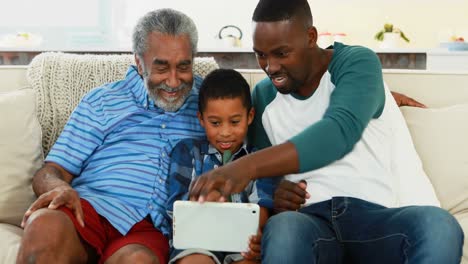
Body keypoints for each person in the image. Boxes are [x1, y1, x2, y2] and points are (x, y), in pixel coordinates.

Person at [188, 0, 464, 263]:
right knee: (283, 229)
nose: (270, 67)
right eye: (261, 55)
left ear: (310, 37)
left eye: (281, 53)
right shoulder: (263, 96)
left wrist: (245, 168)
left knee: (439, 226)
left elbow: (337, 132)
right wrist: (278, 199)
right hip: (310, 223)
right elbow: (268, 181)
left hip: (377, 221)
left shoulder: (356, 62)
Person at [16, 8, 205, 264]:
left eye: (183, 67)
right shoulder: (102, 101)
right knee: (44, 226)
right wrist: (59, 187)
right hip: (88, 209)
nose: (173, 82)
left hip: (150, 228)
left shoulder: (210, 104)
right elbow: (51, 171)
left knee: (137, 260)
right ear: (139, 62)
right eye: (161, 68)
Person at [166, 69, 276, 264]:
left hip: (242, 242)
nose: (225, 132)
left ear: (250, 116)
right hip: (197, 240)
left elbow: (263, 207)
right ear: (201, 119)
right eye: (215, 123)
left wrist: (254, 234)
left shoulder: (259, 159)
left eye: (235, 122)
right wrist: (203, 201)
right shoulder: (187, 152)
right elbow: (176, 207)